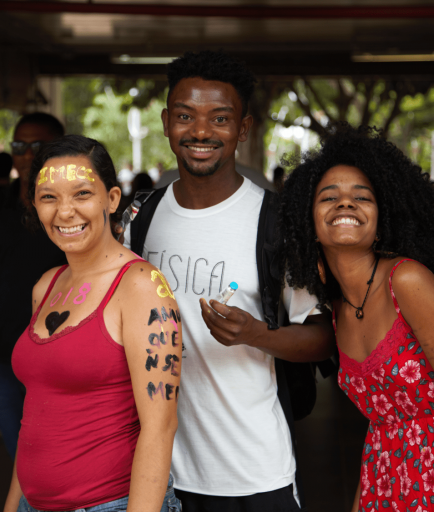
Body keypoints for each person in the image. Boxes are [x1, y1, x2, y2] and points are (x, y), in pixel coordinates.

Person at [123, 50, 334, 512]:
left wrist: (259, 335)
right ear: (165, 122)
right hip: (159, 469)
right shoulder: (140, 219)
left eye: (219, 118)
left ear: (243, 128)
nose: (200, 132)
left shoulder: (276, 222)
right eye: (185, 116)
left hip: (253, 471)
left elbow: (323, 338)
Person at [278, 124, 434, 512]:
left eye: (362, 196)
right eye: (329, 197)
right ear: (310, 224)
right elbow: (383, 430)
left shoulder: (406, 280)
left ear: (382, 218)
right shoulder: (337, 311)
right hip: (387, 483)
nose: (346, 204)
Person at [3, 135, 182, 512]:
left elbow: (159, 428)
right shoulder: (46, 285)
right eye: (49, 197)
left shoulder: (141, 288)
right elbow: (36, 415)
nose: (65, 212)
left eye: (82, 194)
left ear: (111, 199)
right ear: (34, 203)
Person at [0, 113, 67, 458]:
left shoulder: (77, 210)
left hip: (65, 356)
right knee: (21, 460)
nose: (26, 155)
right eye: (20, 146)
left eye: (37, 146)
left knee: (59, 460)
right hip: (6, 357)